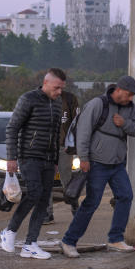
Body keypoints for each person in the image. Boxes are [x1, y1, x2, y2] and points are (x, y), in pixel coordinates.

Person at [59, 76, 135, 257]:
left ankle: (115, 239)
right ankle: (68, 241)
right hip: (96, 163)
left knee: (126, 196)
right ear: (119, 89)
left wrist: (124, 123)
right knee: (91, 203)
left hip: (117, 163)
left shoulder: (130, 108)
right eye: (129, 94)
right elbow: (83, 131)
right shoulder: (98, 104)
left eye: (132, 96)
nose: (131, 99)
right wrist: (83, 158)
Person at [0, 69, 67, 259]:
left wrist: (55, 160)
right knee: (35, 192)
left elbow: (55, 135)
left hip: (48, 159)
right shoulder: (28, 99)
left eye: (62, 88)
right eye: (57, 88)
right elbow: (12, 128)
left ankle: (30, 244)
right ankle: (10, 231)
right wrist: (11, 158)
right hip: (28, 156)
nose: (59, 92)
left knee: (44, 200)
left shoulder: (57, 103)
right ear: (46, 83)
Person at [46, 88, 80, 223]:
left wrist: (74, 145)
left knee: (67, 180)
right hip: (46, 147)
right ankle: (47, 213)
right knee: (46, 181)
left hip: (63, 147)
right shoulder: (41, 98)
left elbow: (77, 122)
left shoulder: (70, 98)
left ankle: (75, 209)